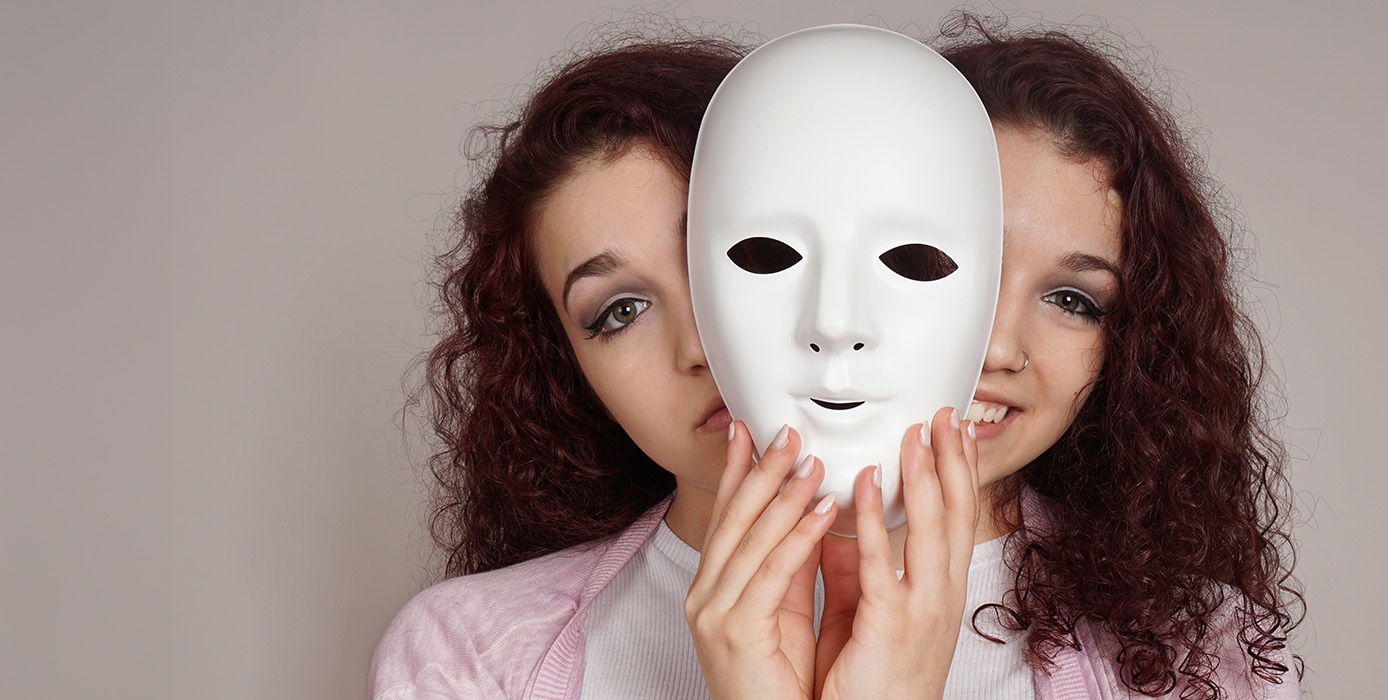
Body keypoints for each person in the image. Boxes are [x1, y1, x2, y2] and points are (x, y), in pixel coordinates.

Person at [687, 16, 1303, 700]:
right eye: (929, 264)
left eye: (1073, 300)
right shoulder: (562, 631)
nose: (1000, 346)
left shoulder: (1207, 657)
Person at [369, 34, 981, 700]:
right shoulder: (467, 656)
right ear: (571, 372)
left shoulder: (1104, 634)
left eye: (755, 258)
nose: (699, 345)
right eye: (621, 311)